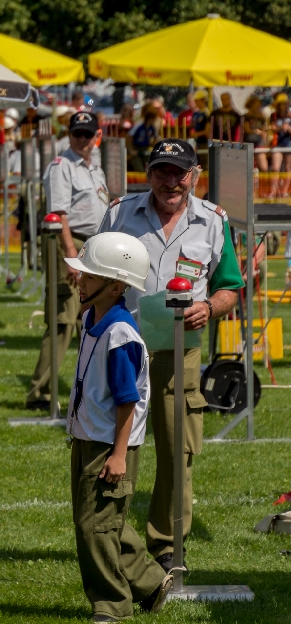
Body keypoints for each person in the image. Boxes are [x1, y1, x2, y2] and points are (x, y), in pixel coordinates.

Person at [98, 138, 243, 573]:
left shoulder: (213, 221)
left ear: (194, 175)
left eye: (179, 172)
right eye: (162, 171)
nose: (171, 181)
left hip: (180, 350)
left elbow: (229, 286)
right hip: (123, 346)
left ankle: (166, 547)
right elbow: (94, 275)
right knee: (113, 447)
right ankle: (111, 541)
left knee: (177, 451)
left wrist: (209, 307)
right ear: (148, 174)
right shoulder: (119, 213)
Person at [63, 232, 173, 621]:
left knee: (94, 527)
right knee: (102, 519)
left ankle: (113, 605)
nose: (80, 280)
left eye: (90, 276)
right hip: (87, 439)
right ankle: (150, 583)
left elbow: (128, 400)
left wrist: (119, 454)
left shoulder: (120, 334)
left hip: (109, 444)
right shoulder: (92, 318)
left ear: (115, 286)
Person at [25, 111, 108, 411]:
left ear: (97, 136)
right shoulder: (62, 166)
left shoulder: (94, 167)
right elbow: (58, 214)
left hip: (92, 245)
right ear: (69, 135)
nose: (82, 139)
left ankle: (93, 389)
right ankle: (41, 394)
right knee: (62, 319)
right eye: (77, 134)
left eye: (88, 134)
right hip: (70, 244)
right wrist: (71, 255)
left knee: (93, 319)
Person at [271, 93, 291, 198]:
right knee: (275, 168)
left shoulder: (290, 115)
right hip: (277, 144)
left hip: (289, 143)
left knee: (288, 168)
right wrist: (280, 128)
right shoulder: (274, 115)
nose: (283, 106)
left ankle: (284, 191)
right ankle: (273, 190)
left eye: (285, 103)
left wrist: (288, 129)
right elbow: (272, 128)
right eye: (281, 104)